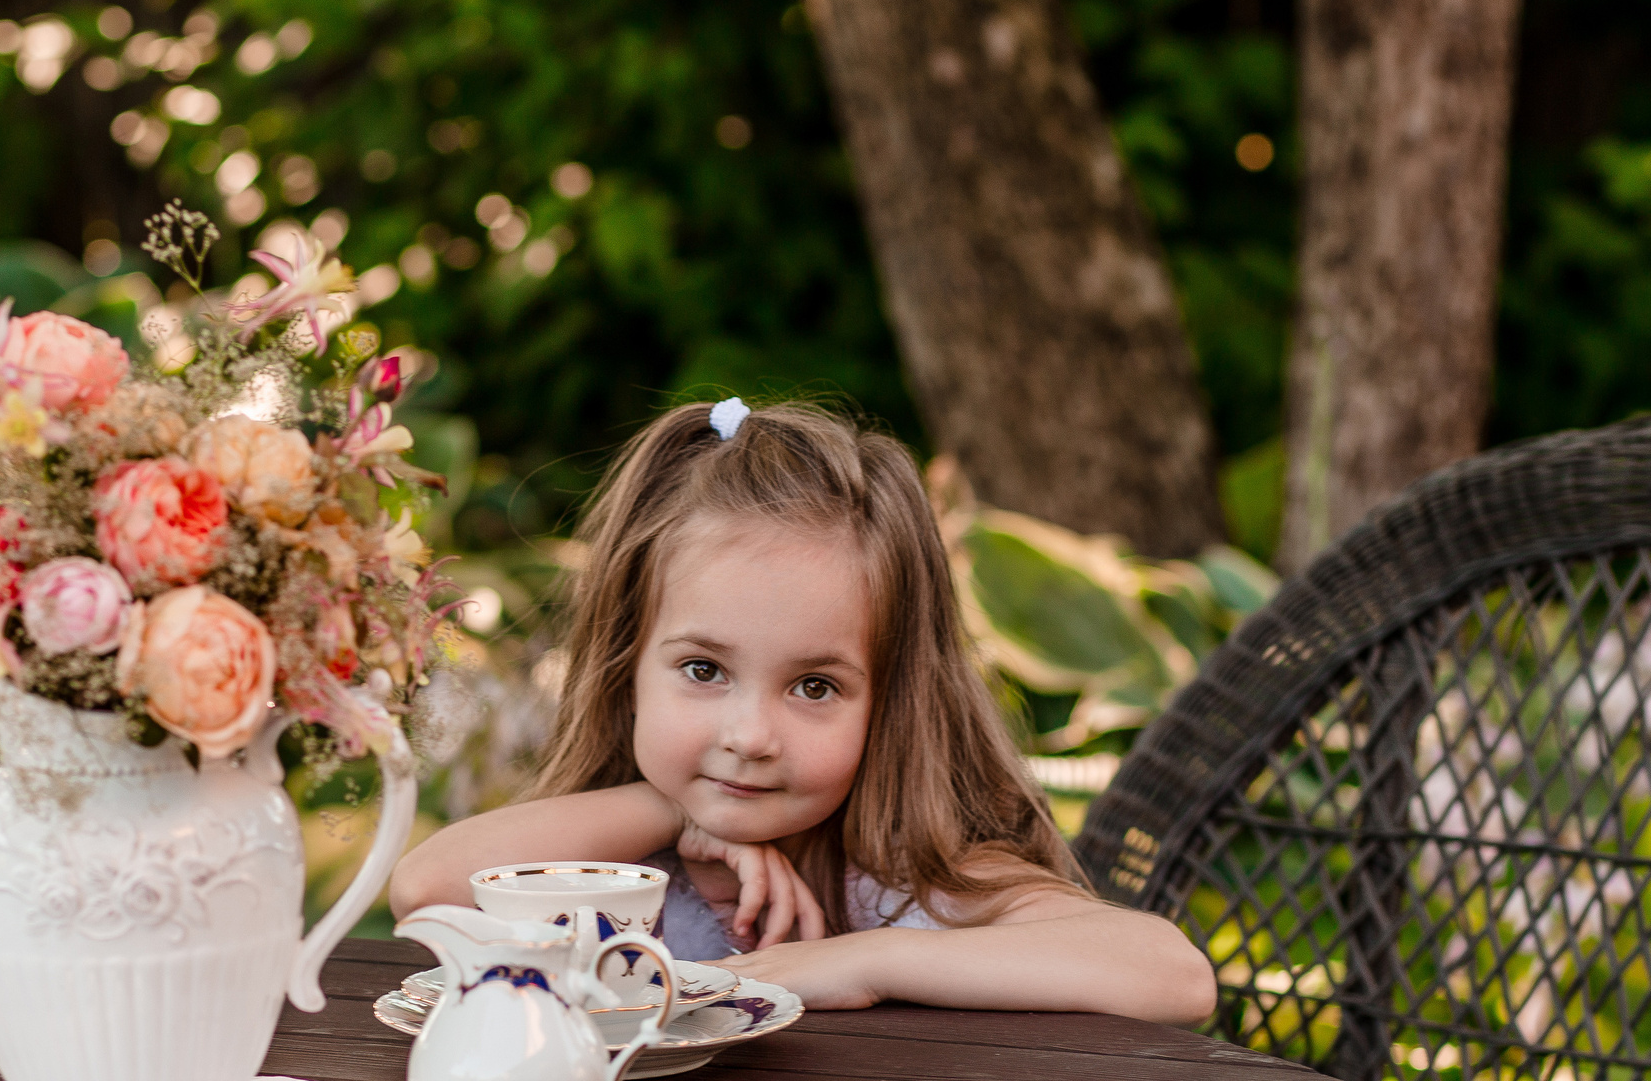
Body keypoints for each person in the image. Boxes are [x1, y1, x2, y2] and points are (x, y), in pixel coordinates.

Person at [388, 398, 1216, 1022]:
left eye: (815, 687)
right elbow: (428, 888)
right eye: (704, 669)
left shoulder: (898, 877)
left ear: (888, 700)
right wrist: (668, 810)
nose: (750, 737)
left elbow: (1172, 974)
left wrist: (862, 961)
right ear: (626, 667)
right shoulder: (616, 869)